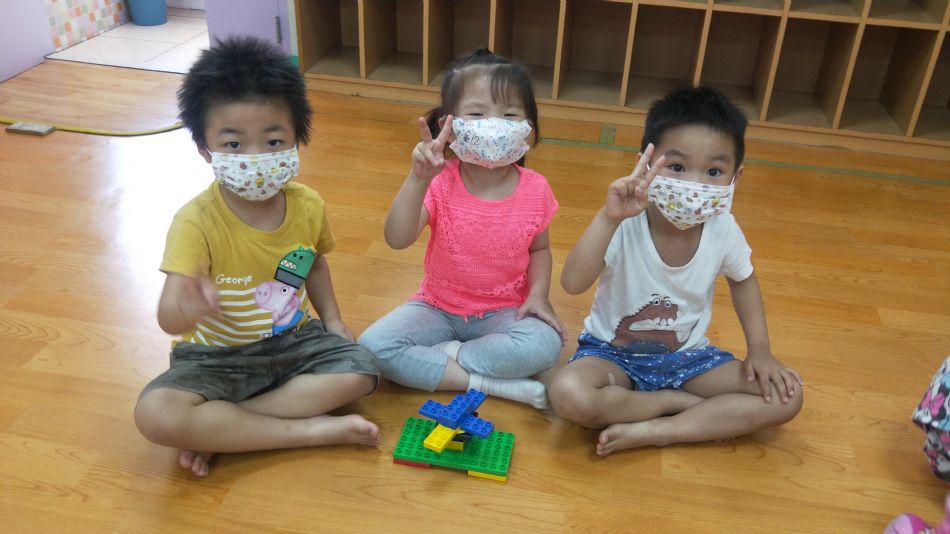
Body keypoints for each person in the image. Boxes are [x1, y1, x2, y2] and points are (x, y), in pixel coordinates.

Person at [133, 36, 380, 477]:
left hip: (294, 340)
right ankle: (308, 431)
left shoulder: (308, 205)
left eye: (273, 140)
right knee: (155, 415)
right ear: (205, 149)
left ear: (297, 139)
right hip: (216, 357)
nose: (255, 157)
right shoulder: (194, 221)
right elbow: (169, 320)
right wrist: (187, 305)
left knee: (361, 371)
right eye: (233, 145)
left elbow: (315, 263)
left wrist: (334, 320)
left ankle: (224, 430)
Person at [549, 86, 803, 456]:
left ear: (736, 177)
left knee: (787, 396)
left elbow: (744, 280)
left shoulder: (723, 228)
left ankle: (663, 429)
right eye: (677, 167)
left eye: (714, 171)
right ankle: (671, 403)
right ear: (644, 164)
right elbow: (572, 283)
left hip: (688, 359)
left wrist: (760, 350)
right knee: (568, 394)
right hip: (612, 357)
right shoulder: (625, 222)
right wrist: (608, 218)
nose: (693, 185)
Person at [359, 48, 564, 410]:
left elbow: (540, 250)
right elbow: (397, 238)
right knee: (372, 348)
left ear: (528, 127)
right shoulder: (440, 182)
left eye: (509, 114)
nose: (493, 125)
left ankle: (446, 357)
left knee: (546, 346)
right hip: (436, 307)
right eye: (477, 114)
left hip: (504, 311)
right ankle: (487, 383)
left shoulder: (536, 189)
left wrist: (538, 295)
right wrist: (418, 179)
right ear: (449, 125)